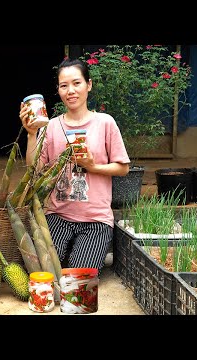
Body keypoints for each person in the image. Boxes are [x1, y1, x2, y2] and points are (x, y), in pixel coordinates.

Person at [19, 57, 130, 272]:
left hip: (95, 219)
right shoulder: (50, 127)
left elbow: (123, 167)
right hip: (58, 215)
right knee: (43, 269)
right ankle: (69, 250)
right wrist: (32, 135)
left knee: (80, 275)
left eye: (76, 83)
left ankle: (80, 251)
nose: (70, 90)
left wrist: (93, 166)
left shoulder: (105, 123)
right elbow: (35, 170)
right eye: (64, 85)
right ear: (58, 90)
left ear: (88, 85)